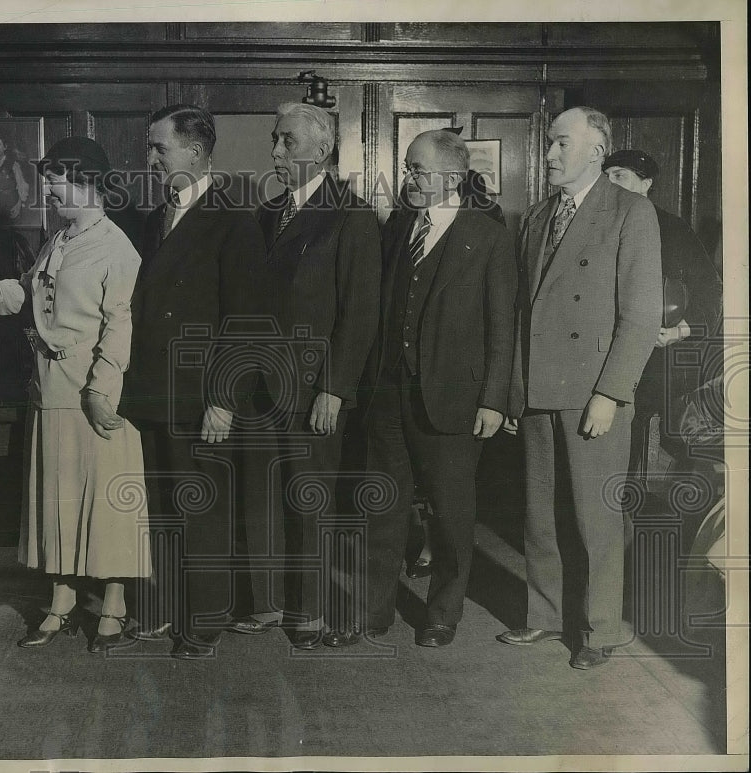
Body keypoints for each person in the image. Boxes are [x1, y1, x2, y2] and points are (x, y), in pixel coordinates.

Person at [326, 130, 516, 649]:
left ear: (453, 178)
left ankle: (442, 612)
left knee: (452, 515)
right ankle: (373, 610)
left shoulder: (490, 236)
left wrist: (495, 399)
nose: (407, 178)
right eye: (407, 168)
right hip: (389, 395)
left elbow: (503, 325)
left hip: (454, 401)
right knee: (382, 508)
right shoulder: (399, 227)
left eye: (418, 170)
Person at [501, 107, 662, 669]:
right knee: (539, 514)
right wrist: (515, 392)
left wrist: (610, 393)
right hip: (540, 388)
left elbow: (640, 317)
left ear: (595, 150)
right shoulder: (538, 215)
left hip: (593, 390)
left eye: (559, 144)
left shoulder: (631, 212)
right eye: (548, 143)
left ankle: (602, 631)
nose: (547, 155)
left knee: (597, 518)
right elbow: (525, 312)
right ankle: (545, 616)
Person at [0, 136, 150, 653]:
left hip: (94, 393)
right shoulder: (60, 238)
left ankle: (114, 610)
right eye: (47, 178)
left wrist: (101, 390)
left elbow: (120, 327)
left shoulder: (117, 247)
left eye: (56, 179)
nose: (47, 189)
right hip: (50, 393)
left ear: (88, 182)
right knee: (59, 499)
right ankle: (61, 604)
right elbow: (28, 290)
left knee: (105, 501)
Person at [229, 102, 380, 650]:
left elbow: (361, 312)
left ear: (320, 149)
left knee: (309, 500)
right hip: (259, 385)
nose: (275, 151)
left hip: (314, 388)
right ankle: (267, 604)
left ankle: (311, 611)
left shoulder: (352, 215)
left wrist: (335, 390)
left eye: (287, 141)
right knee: (259, 495)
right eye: (274, 139)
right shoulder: (266, 213)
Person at [119, 105, 266, 660]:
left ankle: (204, 622)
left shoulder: (234, 222)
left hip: (203, 397)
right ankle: (166, 611)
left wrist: (223, 400)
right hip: (154, 394)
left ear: (196, 153)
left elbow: (248, 323)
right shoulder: (155, 217)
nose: (151, 158)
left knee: (201, 511)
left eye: (160, 148)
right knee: (160, 509)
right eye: (151, 147)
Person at [602, 149, 723, 469]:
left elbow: (709, 289)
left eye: (620, 176)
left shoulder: (673, 228)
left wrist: (680, 330)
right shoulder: (594, 226)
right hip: (600, 352)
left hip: (654, 360)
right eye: (606, 176)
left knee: (637, 441)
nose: (610, 183)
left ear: (646, 184)